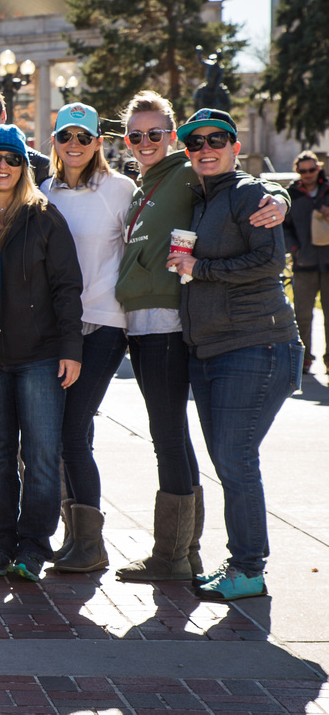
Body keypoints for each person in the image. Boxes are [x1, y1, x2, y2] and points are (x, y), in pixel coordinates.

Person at [113, 92, 288, 583]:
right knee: (187, 444)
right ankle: (188, 553)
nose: (146, 142)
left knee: (194, 446)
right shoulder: (151, 186)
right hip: (169, 332)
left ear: (172, 137)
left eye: (156, 133)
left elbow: (251, 190)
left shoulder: (191, 174)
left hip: (204, 331)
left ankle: (195, 558)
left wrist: (279, 197)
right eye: (136, 135)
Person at [167, 108, 302, 601]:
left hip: (256, 345)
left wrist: (198, 269)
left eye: (216, 140)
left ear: (234, 146)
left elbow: (269, 261)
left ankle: (248, 568)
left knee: (235, 459)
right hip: (211, 350)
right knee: (230, 461)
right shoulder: (202, 200)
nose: (206, 148)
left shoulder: (247, 193)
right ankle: (242, 563)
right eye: (196, 142)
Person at [0, 124, 83, 583]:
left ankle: (34, 544)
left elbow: (67, 288)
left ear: (24, 165)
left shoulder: (44, 217)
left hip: (39, 355)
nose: (3, 167)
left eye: (12, 160)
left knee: (39, 453)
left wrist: (71, 348)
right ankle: (1, 542)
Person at [39, 103, 135, 574]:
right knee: (66, 434)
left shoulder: (121, 190)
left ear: (99, 142)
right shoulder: (42, 192)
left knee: (72, 432)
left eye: (83, 137)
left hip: (103, 322)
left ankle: (90, 544)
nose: (73, 145)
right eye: (65, 137)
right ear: (53, 142)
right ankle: (76, 538)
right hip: (59, 328)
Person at [284, 150, 329, 375]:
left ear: (318, 168)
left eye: (312, 170)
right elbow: (284, 227)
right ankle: (304, 359)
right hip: (304, 264)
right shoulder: (291, 194)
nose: (308, 174)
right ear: (297, 172)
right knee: (302, 314)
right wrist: (294, 250)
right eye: (303, 171)